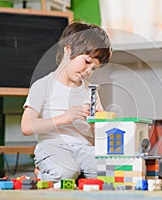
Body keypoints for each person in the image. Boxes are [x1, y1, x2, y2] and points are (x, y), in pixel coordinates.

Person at [21, 21, 112, 182]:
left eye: (94, 69)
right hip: (53, 146)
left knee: (110, 172)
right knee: (66, 172)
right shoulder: (43, 85)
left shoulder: (90, 91)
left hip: (84, 148)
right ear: (68, 49)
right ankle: (42, 174)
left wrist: (97, 123)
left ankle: (76, 175)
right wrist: (66, 117)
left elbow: (97, 134)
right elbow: (27, 127)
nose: (89, 71)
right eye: (87, 62)